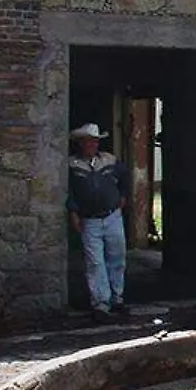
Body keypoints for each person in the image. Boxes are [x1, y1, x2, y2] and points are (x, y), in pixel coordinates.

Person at [67, 123, 130, 317]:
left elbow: (125, 176)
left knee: (117, 258)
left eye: (95, 141)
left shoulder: (109, 160)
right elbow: (69, 192)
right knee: (95, 263)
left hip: (112, 216)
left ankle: (116, 298)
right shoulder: (72, 165)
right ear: (80, 143)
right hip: (90, 220)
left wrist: (123, 196)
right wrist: (74, 213)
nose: (93, 145)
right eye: (89, 141)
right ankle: (100, 303)